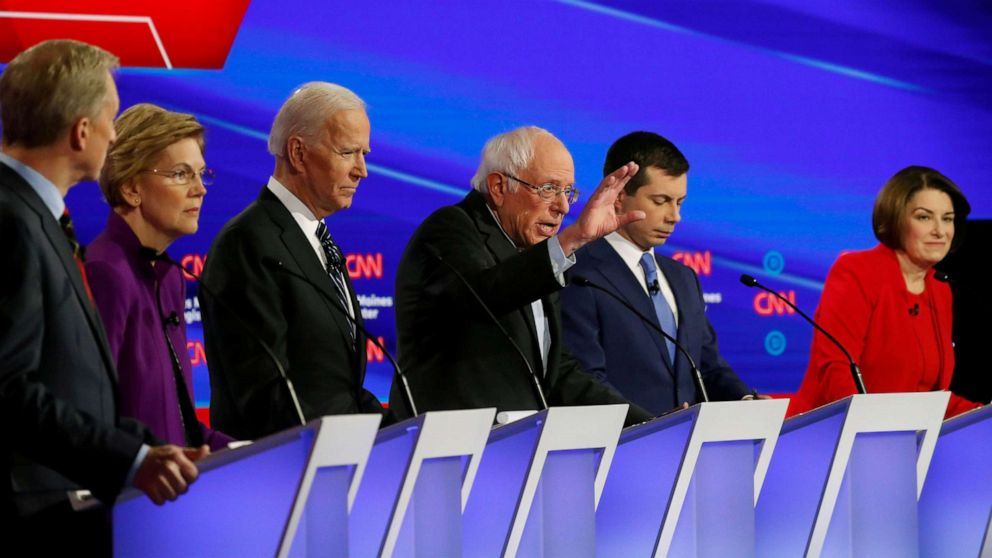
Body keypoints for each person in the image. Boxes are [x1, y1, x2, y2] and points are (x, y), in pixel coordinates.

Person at [0, 40, 206, 554]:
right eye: (111, 118)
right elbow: (8, 388)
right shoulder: (10, 220)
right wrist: (131, 460)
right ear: (81, 130)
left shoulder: (36, 217)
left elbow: (73, 385)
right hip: (35, 516)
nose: (115, 135)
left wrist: (151, 448)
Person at [388, 126, 653, 426]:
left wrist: (648, 424)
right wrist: (571, 240)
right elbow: (484, 295)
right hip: (450, 448)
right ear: (499, 187)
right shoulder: (450, 229)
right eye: (548, 188)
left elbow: (557, 375)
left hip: (514, 451)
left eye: (567, 191)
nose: (563, 207)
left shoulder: (533, 255)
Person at [201, 82, 383, 440]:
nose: (361, 170)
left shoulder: (318, 238)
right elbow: (265, 394)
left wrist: (396, 433)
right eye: (348, 152)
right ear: (298, 153)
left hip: (334, 464)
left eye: (364, 154)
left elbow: (336, 386)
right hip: (283, 474)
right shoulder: (249, 242)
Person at [560, 131, 752, 415]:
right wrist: (650, 427)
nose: (674, 216)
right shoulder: (579, 272)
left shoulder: (683, 278)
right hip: (621, 447)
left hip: (684, 449)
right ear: (619, 197)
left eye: (679, 202)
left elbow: (707, 366)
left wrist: (746, 402)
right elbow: (584, 378)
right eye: (661, 201)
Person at [85, 103, 234, 451]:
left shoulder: (169, 278)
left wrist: (255, 453)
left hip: (172, 489)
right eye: (181, 174)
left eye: (201, 173)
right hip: (132, 494)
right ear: (131, 188)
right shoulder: (105, 273)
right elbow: (93, 418)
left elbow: (179, 426)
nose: (201, 189)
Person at [788, 166, 983, 418]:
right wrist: (872, 432)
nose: (940, 231)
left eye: (947, 218)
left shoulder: (940, 288)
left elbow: (931, 399)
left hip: (904, 441)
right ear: (895, 219)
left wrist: (981, 415)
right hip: (835, 436)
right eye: (924, 217)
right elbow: (835, 372)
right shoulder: (857, 272)